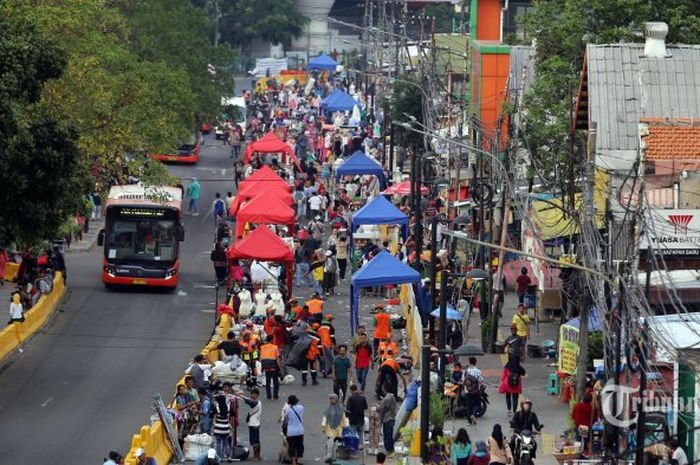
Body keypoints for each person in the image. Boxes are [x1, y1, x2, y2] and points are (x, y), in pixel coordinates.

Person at [322, 393, 347, 462]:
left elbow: (343, 417)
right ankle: (329, 455)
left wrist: (345, 426)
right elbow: (325, 417)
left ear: (336, 399)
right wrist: (323, 426)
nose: (331, 400)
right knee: (330, 442)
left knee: (336, 443)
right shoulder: (329, 408)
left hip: (339, 429)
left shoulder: (340, 408)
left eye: (332, 399)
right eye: (330, 399)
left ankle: (334, 456)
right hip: (330, 428)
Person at [241, 388, 262, 461]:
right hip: (255, 423)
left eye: (252, 394)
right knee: (256, 440)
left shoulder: (255, 403)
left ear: (256, 395)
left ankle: (256, 456)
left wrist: (241, 397)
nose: (251, 395)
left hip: (253, 424)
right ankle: (257, 456)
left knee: (254, 441)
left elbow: (249, 402)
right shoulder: (257, 402)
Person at [346, 385, 368, 451]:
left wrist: (346, 414)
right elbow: (365, 407)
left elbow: (348, 410)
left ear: (352, 390)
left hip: (353, 419)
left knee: (353, 433)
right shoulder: (363, 398)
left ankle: (353, 446)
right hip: (361, 419)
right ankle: (360, 445)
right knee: (360, 433)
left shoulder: (350, 398)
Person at [284, 395, 305, 465]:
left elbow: (286, 419)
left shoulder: (288, 410)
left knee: (291, 447)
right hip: (300, 431)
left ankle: (293, 461)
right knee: (300, 446)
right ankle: (299, 460)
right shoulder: (301, 407)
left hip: (291, 431)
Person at [377, 383, 397, 456]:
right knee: (390, 434)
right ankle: (391, 448)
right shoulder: (393, 397)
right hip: (392, 417)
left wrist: (377, 406)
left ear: (385, 389)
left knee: (387, 434)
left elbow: (380, 409)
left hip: (387, 418)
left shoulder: (386, 399)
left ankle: (388, 449)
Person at [260, 335, 282, 400]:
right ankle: (275, 395)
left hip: (265, 365)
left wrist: (262, 367)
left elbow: (261, 358)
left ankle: (268, 395)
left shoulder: (262, 347)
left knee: (268, 381)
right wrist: (279, 367)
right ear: (272, 340)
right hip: (273, 365)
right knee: (275, 381)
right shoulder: (275, 347)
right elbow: (277, 358)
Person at [213, 394, 233, 460]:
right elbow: (232, 414)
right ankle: (228, 456)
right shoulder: (228, 407)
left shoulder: (217, 407)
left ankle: (219, 457)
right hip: (226, 428)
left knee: (218, 443)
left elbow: (215, 419)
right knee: (226, 442)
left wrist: (214, 427)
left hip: (218, 428)